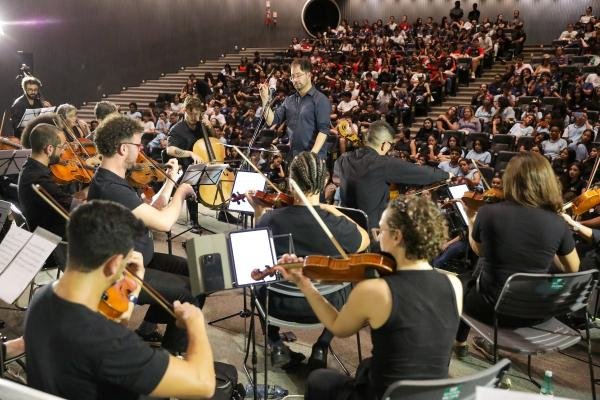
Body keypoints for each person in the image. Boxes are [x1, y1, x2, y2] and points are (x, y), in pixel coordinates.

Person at [275, 195, 462, 400]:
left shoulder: (376, 290)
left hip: (384, 396)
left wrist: (304, 284)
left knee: (318, 379)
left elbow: (338, 327)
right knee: (366, 366)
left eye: (381, 230)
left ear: (397, 237)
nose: (378, 237)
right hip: (434, 395)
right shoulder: (454, 284)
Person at [25, 200, 215, 400]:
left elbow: (116, 326)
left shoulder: (42, 297)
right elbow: (204, 384)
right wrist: (196, 322)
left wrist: (136, 283)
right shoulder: (108, 343)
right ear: (114, 264)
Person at [88, 114, 203, 353]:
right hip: (123, 272)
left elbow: (151, 211)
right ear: (123, 149)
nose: (140, 151)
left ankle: (150, 328)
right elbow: (164, 223)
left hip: (139, 257)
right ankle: (173, 355)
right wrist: (181, 192)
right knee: (189, 291)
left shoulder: (112, 180)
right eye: (138, 145)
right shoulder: (111, 187)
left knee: (199, 274)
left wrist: (171, 181)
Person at [249, 151, 369, 372]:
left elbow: (257, 255)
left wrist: (259, 212)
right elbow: (365, 238)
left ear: (290, 182)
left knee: (258, 279)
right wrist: (330, 208)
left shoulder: (270, 219)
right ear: (325, 181)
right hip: (327, 305)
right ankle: (322, 346)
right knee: (351, 280)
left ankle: (275, 342)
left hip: (276, 305)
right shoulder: (336, 225)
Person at [454, 152, 579, 358]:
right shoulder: (558, 222)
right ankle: (486, 344)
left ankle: (458, 343)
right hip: (535, 313)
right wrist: (545, 250)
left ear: (510, 180)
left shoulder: (488, 212)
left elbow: (480, 251)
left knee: (460, 282)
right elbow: (572, 268)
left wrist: (471, 218)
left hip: (491, 309)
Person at [335, 121, 449, 229]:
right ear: (384, 144)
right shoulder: (382, 163)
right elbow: (422, 173)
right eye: (390, 145)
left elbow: (337, 178)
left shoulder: (344, 159)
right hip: (372, 232)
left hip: (346, 227)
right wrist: (447, 174)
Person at [259, 58, 331, 159]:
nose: (295, 80)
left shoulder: (320, 99)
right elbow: (271, 120)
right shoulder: (289, 100)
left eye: (298, 75)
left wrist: (311, 155)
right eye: (292, 76)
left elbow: (323, 131)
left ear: (309, 75)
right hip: (294, 157)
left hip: (314, 159)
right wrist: (264, 99)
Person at [165, 96, 207, 231]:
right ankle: (193, 220)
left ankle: (223, 213)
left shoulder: (201, 126)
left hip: (203, 163)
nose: (195, 117)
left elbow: (212, 140)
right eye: (192, 114)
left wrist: (210, 126)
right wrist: (189, 153)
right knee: (191, 181)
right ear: (185, 111)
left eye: (198, 114)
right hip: (184, 166)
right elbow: (170, 149)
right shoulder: (177, 129)